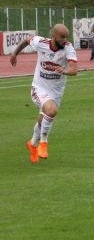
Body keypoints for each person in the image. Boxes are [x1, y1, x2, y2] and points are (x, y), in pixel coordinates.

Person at [9, 24, 78, 163]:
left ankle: (32, 144)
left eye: (66, 37)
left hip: (56, 91)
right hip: (39, 88)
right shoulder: (41, 43)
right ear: (54, 36)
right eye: (62, 37)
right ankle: (43, 143)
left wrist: (64, 71)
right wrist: (14, 54)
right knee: (51, 111)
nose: (65, 40)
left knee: (44, 118)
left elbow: (74, 70)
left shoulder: (68, 48)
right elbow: (25, 41)